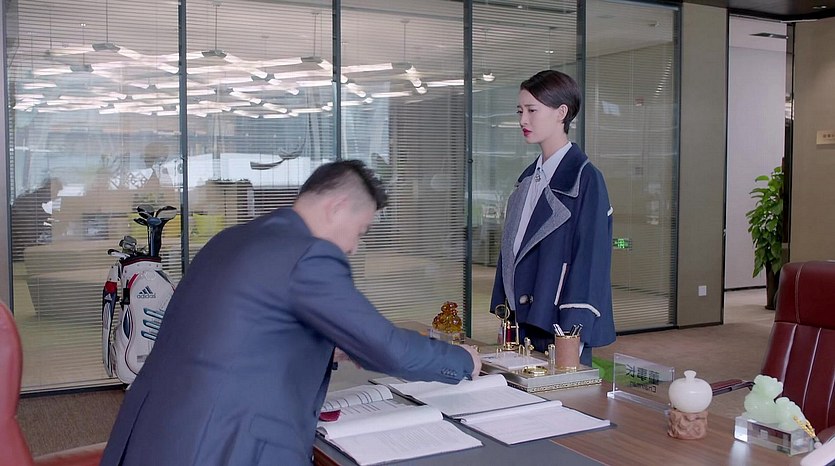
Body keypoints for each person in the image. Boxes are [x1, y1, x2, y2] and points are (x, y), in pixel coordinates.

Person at [101, 160, 481, 465]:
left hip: (156, 434)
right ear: (337, 207)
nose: (354, 246)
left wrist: (329, 348)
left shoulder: (233, 238)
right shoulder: (309, 253)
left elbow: (237, 331)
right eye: (361, 230)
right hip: (222, 444)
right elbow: (387, 348)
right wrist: (463, 359)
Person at [490, 70, 615, 366]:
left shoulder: (586, 179)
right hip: (522, 324)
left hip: (559, 328)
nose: (523, 120)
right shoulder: (527, 180)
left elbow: (590, 262)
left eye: (532, 110)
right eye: (520, 111)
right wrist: (506, 313)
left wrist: (572, 335)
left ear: (562, 113)